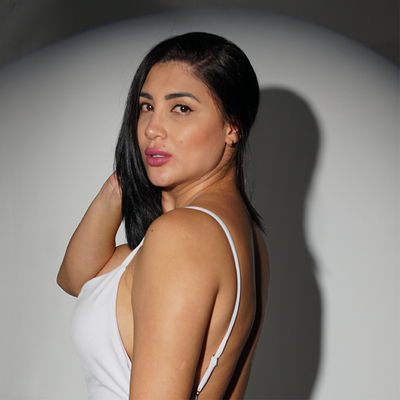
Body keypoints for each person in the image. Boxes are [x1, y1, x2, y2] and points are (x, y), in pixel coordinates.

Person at [57, 32, 269, 400]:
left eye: (181, 108)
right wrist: (122, 181)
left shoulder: (181, 236)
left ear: (232, 126)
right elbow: (77, 279)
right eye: (146, 106)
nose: (152, 128)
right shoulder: (244, 237)